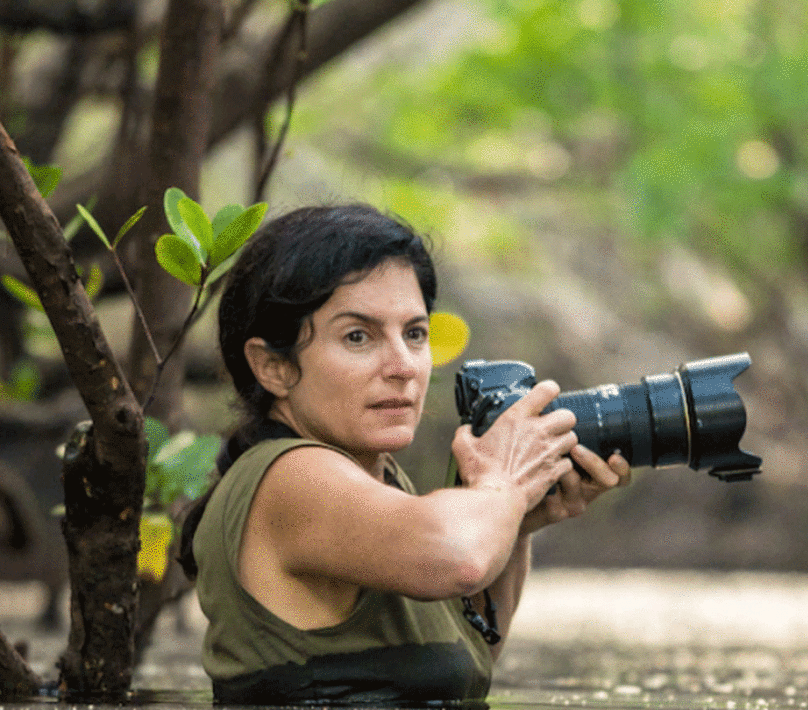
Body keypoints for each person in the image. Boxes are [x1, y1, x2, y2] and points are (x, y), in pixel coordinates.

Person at [177, 204, 631, 705]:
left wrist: (516, 517)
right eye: (358, 336)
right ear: (273, 367)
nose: (403, 366)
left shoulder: (380, 483)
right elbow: (457, 560)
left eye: (414, 333)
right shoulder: (291, 476)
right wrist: (504, 483)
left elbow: (464, 660)